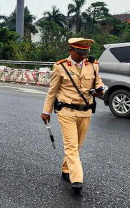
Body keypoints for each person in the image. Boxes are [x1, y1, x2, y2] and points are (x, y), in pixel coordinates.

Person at [42, 38, 106, 192]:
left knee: (77, 146)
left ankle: (66, 168)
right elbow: (52, 91)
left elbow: (99, 84)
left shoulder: (93, 65)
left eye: (86, 53)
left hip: (85, 111)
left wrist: (100, 91)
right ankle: (76, 180)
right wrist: (46, 111)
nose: (83, 56)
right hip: (66, 111)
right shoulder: (60, 67)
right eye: (80, 53)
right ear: (71, 50)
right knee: (71, 146)